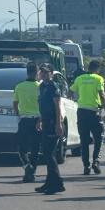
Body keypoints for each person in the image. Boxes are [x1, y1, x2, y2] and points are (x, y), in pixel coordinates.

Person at [70, 59, 105, 175]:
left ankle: (86, 166)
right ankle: (96, 161)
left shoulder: (80, 78)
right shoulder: (98, 78)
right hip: (94, 112)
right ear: (97, 69)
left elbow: (70, 91)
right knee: (99, 138)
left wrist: (76, 100)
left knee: (84, 140)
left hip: (81, 112)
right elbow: (102, 95)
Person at [34, 63, 65, 195]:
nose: (43, 74)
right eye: (42, 72)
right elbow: (44, 106)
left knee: (49, 153)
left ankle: (57, 183)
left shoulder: (53, 87)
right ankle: (50, 182)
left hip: (53, 122)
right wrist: (40, 120)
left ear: (51, 74)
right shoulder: (43, 86)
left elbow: (57, 106)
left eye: (46, 72)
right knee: (47, 153)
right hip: (46, 121)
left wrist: (58, 124)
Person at [13, 62, 41, 183]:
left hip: (24, 120)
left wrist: (18, 113)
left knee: (22, 148)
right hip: (38, 120)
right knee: (35, 148)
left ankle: (27, 166)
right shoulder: (40, 86)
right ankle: (32, 171)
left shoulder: (19, 86)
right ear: (37, 73)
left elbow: (15, 104)